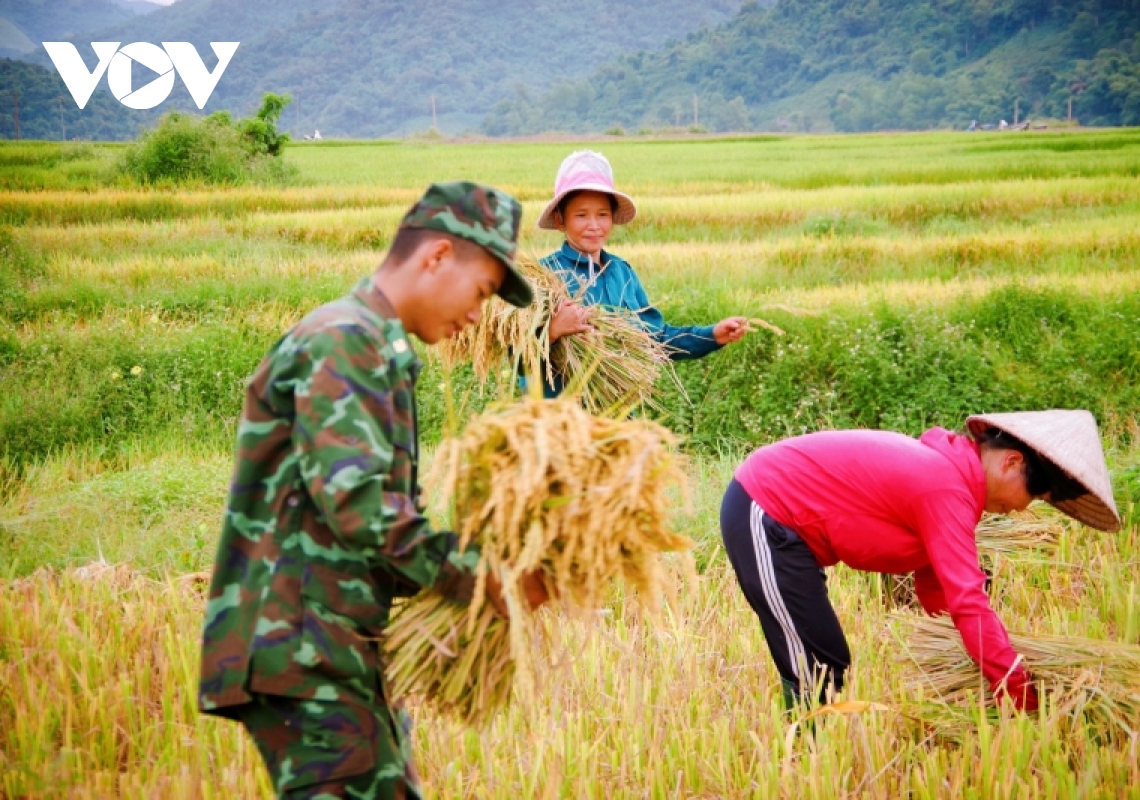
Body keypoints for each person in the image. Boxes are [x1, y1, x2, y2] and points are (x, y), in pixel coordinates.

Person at [198, 181, 548, 799]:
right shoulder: (346, 340)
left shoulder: (372, 343)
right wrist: (483, 576)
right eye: (482, 292)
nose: (476, 315)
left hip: (335, 648)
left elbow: (360, 523)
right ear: (437, 256)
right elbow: (358, 507)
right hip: (306, 648)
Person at [720, 409, 1122, 712]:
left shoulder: (952, 481)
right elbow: (968, 603)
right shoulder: (944, 486)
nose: (1021, 509)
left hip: (787, 527)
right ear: (1012, 462)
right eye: (1032, 495)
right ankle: (802, 763)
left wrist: (953, 647)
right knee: (818, 661)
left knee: (823, 656)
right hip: (765, 508)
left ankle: (811, 753)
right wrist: (1020, 692)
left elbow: (938, 588)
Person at [532, 149, 748, 396]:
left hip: (620, 418)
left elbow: (655, 338)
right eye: (581, 215)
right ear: (560, 220)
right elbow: (516, 357)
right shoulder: (543, 276)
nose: (594, 225)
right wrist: (553, 331)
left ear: (612, 218)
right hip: (561, 422)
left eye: (602, 215)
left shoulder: (621, 274)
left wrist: (711, 335)